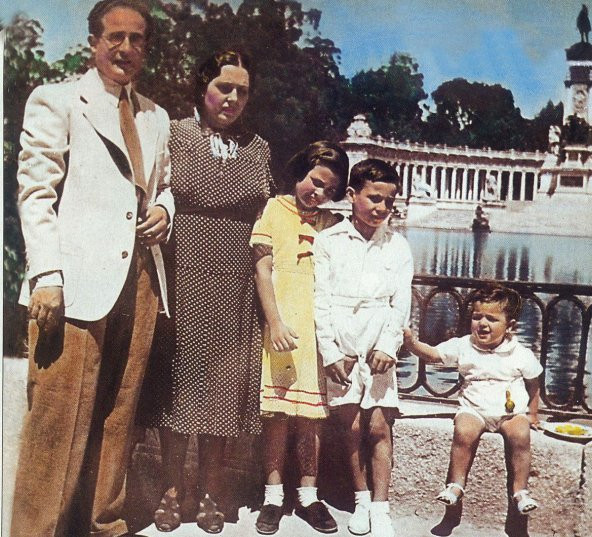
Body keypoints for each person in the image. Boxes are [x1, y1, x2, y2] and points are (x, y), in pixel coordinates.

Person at [11, 1, 174, 536]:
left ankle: (105, 524)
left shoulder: (155, 116)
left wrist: (164, 210)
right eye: (115, 37)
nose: (126, 49)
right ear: (93, 42)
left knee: (119, 414)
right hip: (73, 285)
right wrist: (48, 277)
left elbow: (163, 185)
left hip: (140, 283)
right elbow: (36, 193)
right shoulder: (57, 100)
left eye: (138, 39)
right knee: (56, 423)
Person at [140, 49, 274, 534]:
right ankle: (174, 491)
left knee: (221, 392)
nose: (232, 98)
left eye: (242, 90)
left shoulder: (259, 148)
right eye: (224, 87)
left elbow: (267, 219)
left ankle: (213, 493)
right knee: (178, 389)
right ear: (203, 88)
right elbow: (157, 192)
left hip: (236, 281)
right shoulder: (175, 134)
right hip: (182, 275)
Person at [250, 141, 349, 535]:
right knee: (276, 413)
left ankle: (308, 495)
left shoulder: (330, 223)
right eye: (314, 180)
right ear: (300, 174)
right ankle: (273, 495)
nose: (317, 191)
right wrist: (273, 322)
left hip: (314, 330)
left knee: (310, 416)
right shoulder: (275, 209)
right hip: (280, 326)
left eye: (328, 188)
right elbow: (262, 268)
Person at [313, 159, 414, 537]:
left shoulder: (398, 246)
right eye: (373, 198)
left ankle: (381, 507)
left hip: (378, 339)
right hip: (342, 338)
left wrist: (389, 345)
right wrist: (331, 352)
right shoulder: (328, 242)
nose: (381, 208)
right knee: (351, 425)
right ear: (352, 196)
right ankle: (360, 499)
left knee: (378, 425)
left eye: (389, 201)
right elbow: (320, 300)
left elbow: (400, 302)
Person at [402, 284, 542, 516]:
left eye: (492, 319)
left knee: (521, 435)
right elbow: (435, 354)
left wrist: (533, 414)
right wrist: (412, 344)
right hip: (474, 410)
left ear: (510, 326)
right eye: (477, 317)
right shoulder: (464, 346)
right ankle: (456, 486)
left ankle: (520, 491)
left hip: (510, 414)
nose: (483, 324)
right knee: (463, 432)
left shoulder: (520, 353)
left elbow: (534, 382)